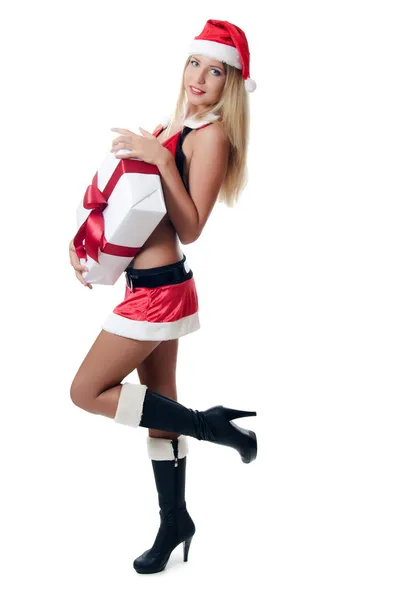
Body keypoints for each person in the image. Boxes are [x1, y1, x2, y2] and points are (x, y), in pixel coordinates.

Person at [68, 19, 258, 575]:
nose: (199, 76)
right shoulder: (175, 127)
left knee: (85, 390)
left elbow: (191, 224)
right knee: (160, 415)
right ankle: (175, 522)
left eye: (215, 70)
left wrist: (156, 157)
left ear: (230, 83)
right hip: (145, 285)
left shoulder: (210, 136)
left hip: (162, 293)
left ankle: (214, 426)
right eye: (194, 63)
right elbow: (126, 206)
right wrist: (85, 248)